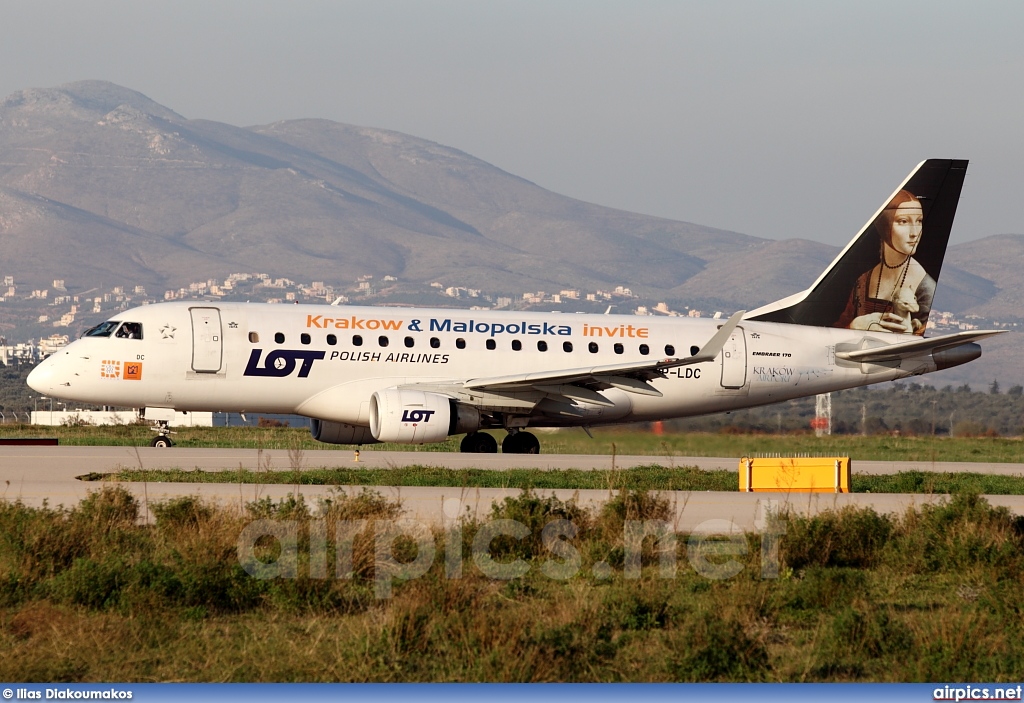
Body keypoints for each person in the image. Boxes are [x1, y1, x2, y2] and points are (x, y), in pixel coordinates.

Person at [835, 190, 934, 335]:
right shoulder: (863, 281)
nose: (914, 233)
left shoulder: (925, 289)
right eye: (903, 221)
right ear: (885, 225)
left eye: (919, 221)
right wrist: (854, 325)